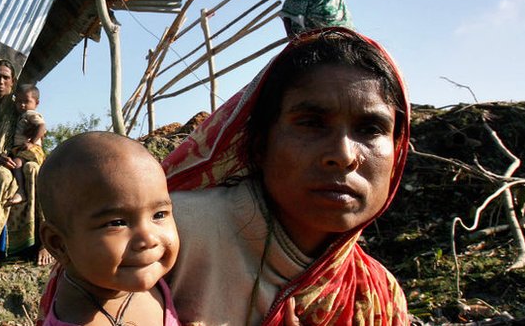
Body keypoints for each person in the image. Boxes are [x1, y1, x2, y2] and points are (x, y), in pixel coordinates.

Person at [163, 27, 410, 325]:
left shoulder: (377, 293)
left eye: (370, 129)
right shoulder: (168, 239)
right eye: (311, 123)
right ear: (258, 145)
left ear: (396, 151)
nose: (344, 155)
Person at [37, 132, 181, 326]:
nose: (148, 239)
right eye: (117, 223)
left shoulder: (145, 279)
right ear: (59, 244)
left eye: (159, 215)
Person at [0, 59, 52, 273]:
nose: (1, 81)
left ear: (12, 81)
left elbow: (37, 127)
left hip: (20, 158)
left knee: (33, 171)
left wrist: (31, 144)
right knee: (2, 177)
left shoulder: (17, 107)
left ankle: (42, 243)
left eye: (6, 77)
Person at [8, 84, 47, 206]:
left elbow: (42, 126)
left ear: (36, 103)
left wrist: (31, 142)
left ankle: (21, 190)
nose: (22, 105)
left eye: (26, 101)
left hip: (31, 150)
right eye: (19, 101)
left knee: (17, 163)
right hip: (23, 150)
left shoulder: (31, 114)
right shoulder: (20, 116)